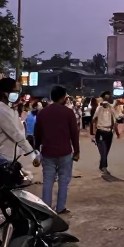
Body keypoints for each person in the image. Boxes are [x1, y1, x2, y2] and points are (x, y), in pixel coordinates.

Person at [33, 85, 80, 214]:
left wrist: (36, 149)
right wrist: (76, 151)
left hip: (47, 152)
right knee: (63, 181)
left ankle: (47, 209)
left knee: (48, 181)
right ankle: (60, 208)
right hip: (65, 152)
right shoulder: (68, 113)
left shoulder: (42, 113)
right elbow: (74, 134)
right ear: (63, 98)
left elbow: (37, 133)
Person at [0, 77, 33, 165]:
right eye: (15, 91)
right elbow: (16, 135)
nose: (17, 94)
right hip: (2, 158)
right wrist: (31, 153)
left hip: (7, 157)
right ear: (5, 93)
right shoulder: (1, 110)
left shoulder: (7, 108)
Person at [91, 93, 121, 174]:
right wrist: (93, 133)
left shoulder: (110, 108)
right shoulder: (99, 108)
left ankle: (102, 165)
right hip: (101, 131)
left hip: (108, 132)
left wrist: (117, 133)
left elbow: (115, 120)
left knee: (105, 151)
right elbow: (94, 120)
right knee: (104, 151)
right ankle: (104, 167)